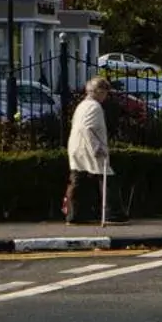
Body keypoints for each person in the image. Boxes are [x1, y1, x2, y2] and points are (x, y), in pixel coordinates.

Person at [64, 77, 111, 224]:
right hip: (88, 148)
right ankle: (113, 213)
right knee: (106, 178)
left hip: (77, 147)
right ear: (99, 91)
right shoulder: (94, 107)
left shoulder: (82, 105)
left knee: (78, 179)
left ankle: (75, 215)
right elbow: (87, 128)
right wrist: (97, 147)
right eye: (105, 92)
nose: (106, 96)